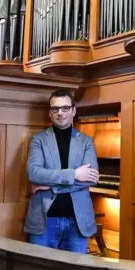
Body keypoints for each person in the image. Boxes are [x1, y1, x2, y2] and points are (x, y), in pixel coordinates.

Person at [23, 89, 100, 253]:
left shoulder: (86, 142)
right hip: (44, 221)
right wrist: (74, 174)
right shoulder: (38, 140)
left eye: (65, 108)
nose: (60, 113)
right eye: (55, 109)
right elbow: (34, 173)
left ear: (73, 110)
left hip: (77, 222)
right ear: (50, 113)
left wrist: (51, 186)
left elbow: (91, 178)